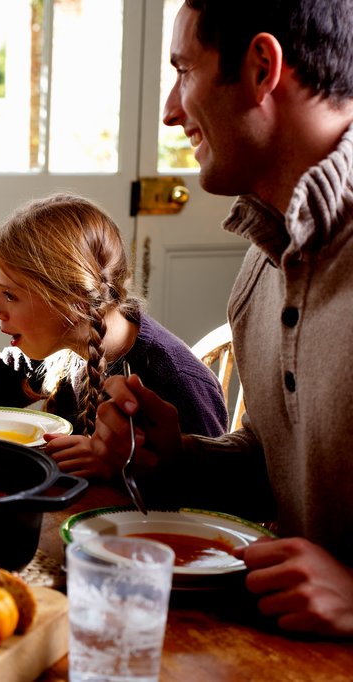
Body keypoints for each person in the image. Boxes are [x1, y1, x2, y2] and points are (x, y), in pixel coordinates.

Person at [93, 0, 353, 637]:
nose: (170, 111)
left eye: (184, 71)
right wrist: (178, 459)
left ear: (262, 67)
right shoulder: (263, 262)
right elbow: (279, 469)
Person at [0, 193, 227, 480]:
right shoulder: (67, 344)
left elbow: (215, 493)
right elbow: (4, 387)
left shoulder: (174, 379)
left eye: (10, 295)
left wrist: (117, 466)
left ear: (71, 298)